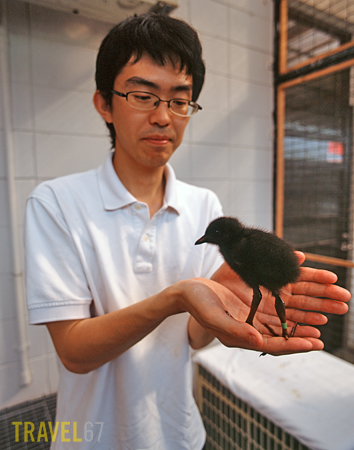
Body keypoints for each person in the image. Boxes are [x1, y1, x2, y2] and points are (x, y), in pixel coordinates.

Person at [25, 13, 350, 450]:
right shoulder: (57, 204)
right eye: (143, 95)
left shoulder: (203, 207)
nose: (164, 117)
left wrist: (220, 306)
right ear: (105, 102)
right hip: (90, 437)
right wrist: (175, 298)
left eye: (180, 100)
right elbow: (73, 353)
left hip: (179, 434)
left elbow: (193, 338)